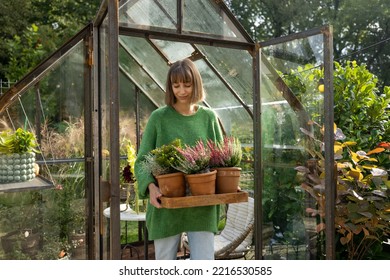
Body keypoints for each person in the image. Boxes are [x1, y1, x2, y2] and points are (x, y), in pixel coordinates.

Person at [134, 58, 224, 260]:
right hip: (167, 203)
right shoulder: (159, 118)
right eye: (176, 86)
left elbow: (221, 161)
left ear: (196, 84)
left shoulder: (209, 118)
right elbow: (141, 161)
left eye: (187, 84)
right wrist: (150, 186)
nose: (182, 91)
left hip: (202, 206)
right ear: (170, 87)